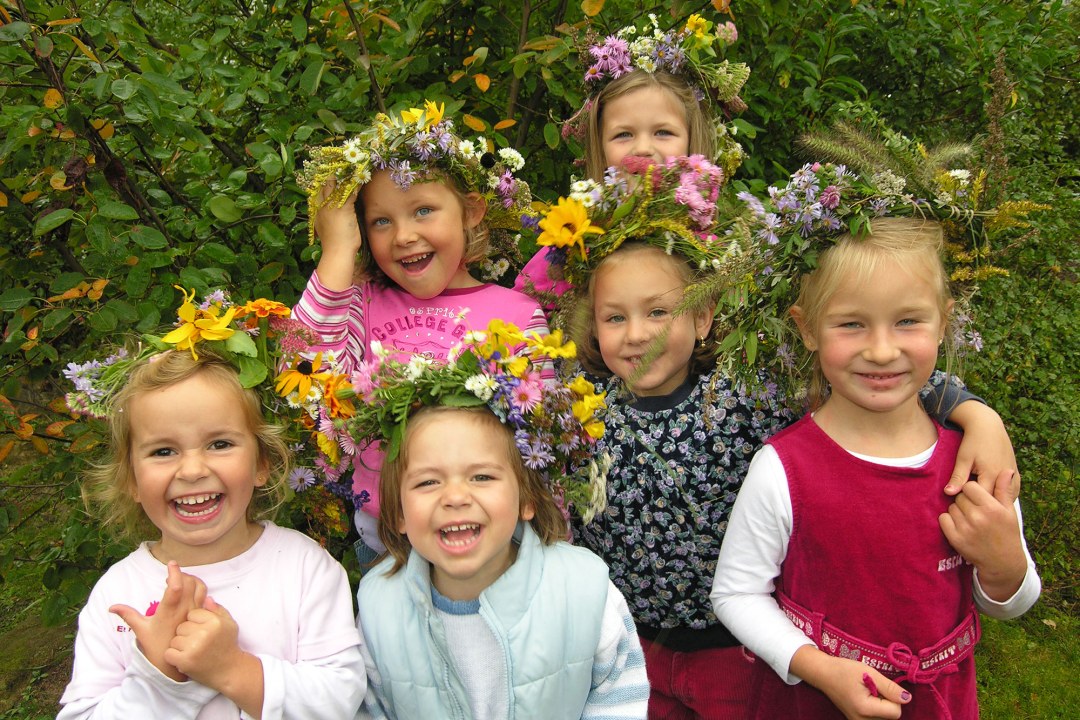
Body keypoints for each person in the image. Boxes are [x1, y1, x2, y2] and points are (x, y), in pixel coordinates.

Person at [531, 155, 1023, 720]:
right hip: (628, 642)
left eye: (661, 311)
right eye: (614, 317)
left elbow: (877, 374)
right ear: (592, 324)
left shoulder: (745, 390)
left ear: (705, 315)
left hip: (735, 652)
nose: (638, 334)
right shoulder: (580, 410)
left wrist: (978, 415)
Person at [710, 216, 1040, 719]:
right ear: (806, 329)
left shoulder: (972, 462)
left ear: (944, 321)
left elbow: (1010, 601)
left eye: (908, 321)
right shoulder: (784, 468)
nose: (882, 350)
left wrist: (1004, 564)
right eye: (851, 323)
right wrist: (818, 667)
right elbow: (736, 593)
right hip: (812, 703)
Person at [57, 322, 365, 720]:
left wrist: (232, 670)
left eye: (220, 444)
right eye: (163, 451)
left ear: (262, 463)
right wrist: (163, 677)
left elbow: (342, 697)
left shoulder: (305, 567)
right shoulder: (117, 594)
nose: (192, 469)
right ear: (130, 479)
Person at [345, 321, 648, 719]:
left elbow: (619, 697)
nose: (455, 497)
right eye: (428, 481)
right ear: (399, 512)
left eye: (482, 477)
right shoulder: (380, 609)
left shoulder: (585, 592)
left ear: (526, 498)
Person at [293, 101, 549, 567]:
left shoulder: (517, 314)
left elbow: (544, 442)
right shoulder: (361, 302)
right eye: (381, 221)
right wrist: (338, 249)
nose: (404, 235)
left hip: (493, 543)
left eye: (423, 210)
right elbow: (302, 366)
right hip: (388, 545)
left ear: (471, 211)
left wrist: (553, 539)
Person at [515, 13, 749, 302]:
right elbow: (523, 316)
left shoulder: (710, 251)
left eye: (663, 132)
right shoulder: (573, 243)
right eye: (623, 135)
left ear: (691, 142)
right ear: (599, 148)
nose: (642, 148)